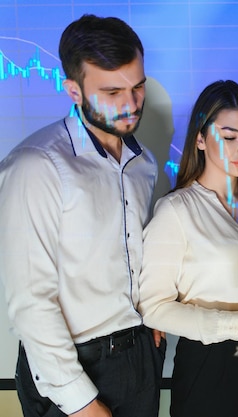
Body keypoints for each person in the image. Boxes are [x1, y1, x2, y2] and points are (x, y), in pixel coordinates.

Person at [0, 14, 165, 417]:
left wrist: (150, 311)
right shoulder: (35, 166)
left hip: (139, 356)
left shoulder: (144, 164)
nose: (130, 104)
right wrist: (82, 403)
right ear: (73, 90)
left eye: (138, 87)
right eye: (112, 91)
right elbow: (29, 301)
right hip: (73, 371)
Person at [138, 80, 238, 417]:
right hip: (212, 366)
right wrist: (237, 325)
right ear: (201, 139)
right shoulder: (176, 210)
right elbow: (153, 308)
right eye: (230, 137)